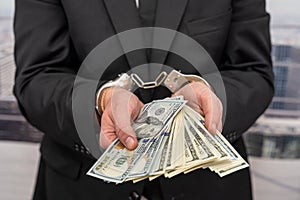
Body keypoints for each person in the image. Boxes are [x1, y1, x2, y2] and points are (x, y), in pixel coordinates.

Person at [13, 0, 274, 199]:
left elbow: (253, 71)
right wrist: (100, 100)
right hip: (80, 187)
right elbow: (37, 76)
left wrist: (207, 93)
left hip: (206, 185)